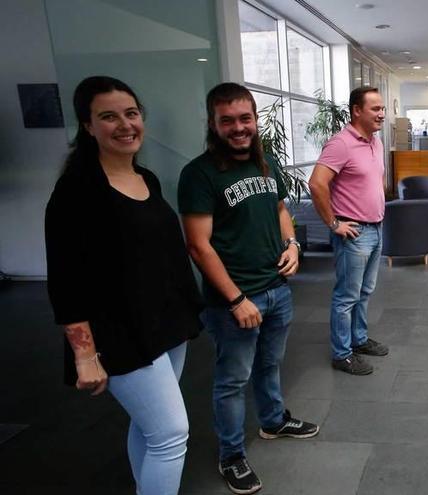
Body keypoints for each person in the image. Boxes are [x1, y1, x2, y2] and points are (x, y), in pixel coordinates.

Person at [45, 76, 203, 495]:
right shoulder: (76, 192)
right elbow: (65, 280)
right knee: (171, 434)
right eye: (108, 117)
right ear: (87, 126)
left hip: (166, 323)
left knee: (151, 427)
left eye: (131, 114)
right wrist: (83, 355)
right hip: (119, 333)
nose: (124, 124)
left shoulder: (145, 178)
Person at [178, 83, 318, 495]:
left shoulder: (265, 161)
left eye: (245, 119)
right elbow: (198, 245)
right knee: (232, 380)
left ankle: (273, 421)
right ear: (212, 124)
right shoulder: (199, 174)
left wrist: (291, 244)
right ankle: (232, 455)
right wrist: (236, 298)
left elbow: (279, 209)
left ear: (255, 119)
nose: (238, 128)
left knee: (270, 364)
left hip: (276, 289)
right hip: (235, 300)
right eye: (228, 121)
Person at [308, 86, 390, 375]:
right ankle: (342, 354)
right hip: (354, 232)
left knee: (365, 292)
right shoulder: (341, 143)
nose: (382, 114)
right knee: (346, 297)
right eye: (375, 109)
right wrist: (333, 223)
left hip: (376, 228)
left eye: (382, 108)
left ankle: (359, 339)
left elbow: (375, 180)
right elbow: (317, 183)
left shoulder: (375, 142)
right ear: (357, 110)